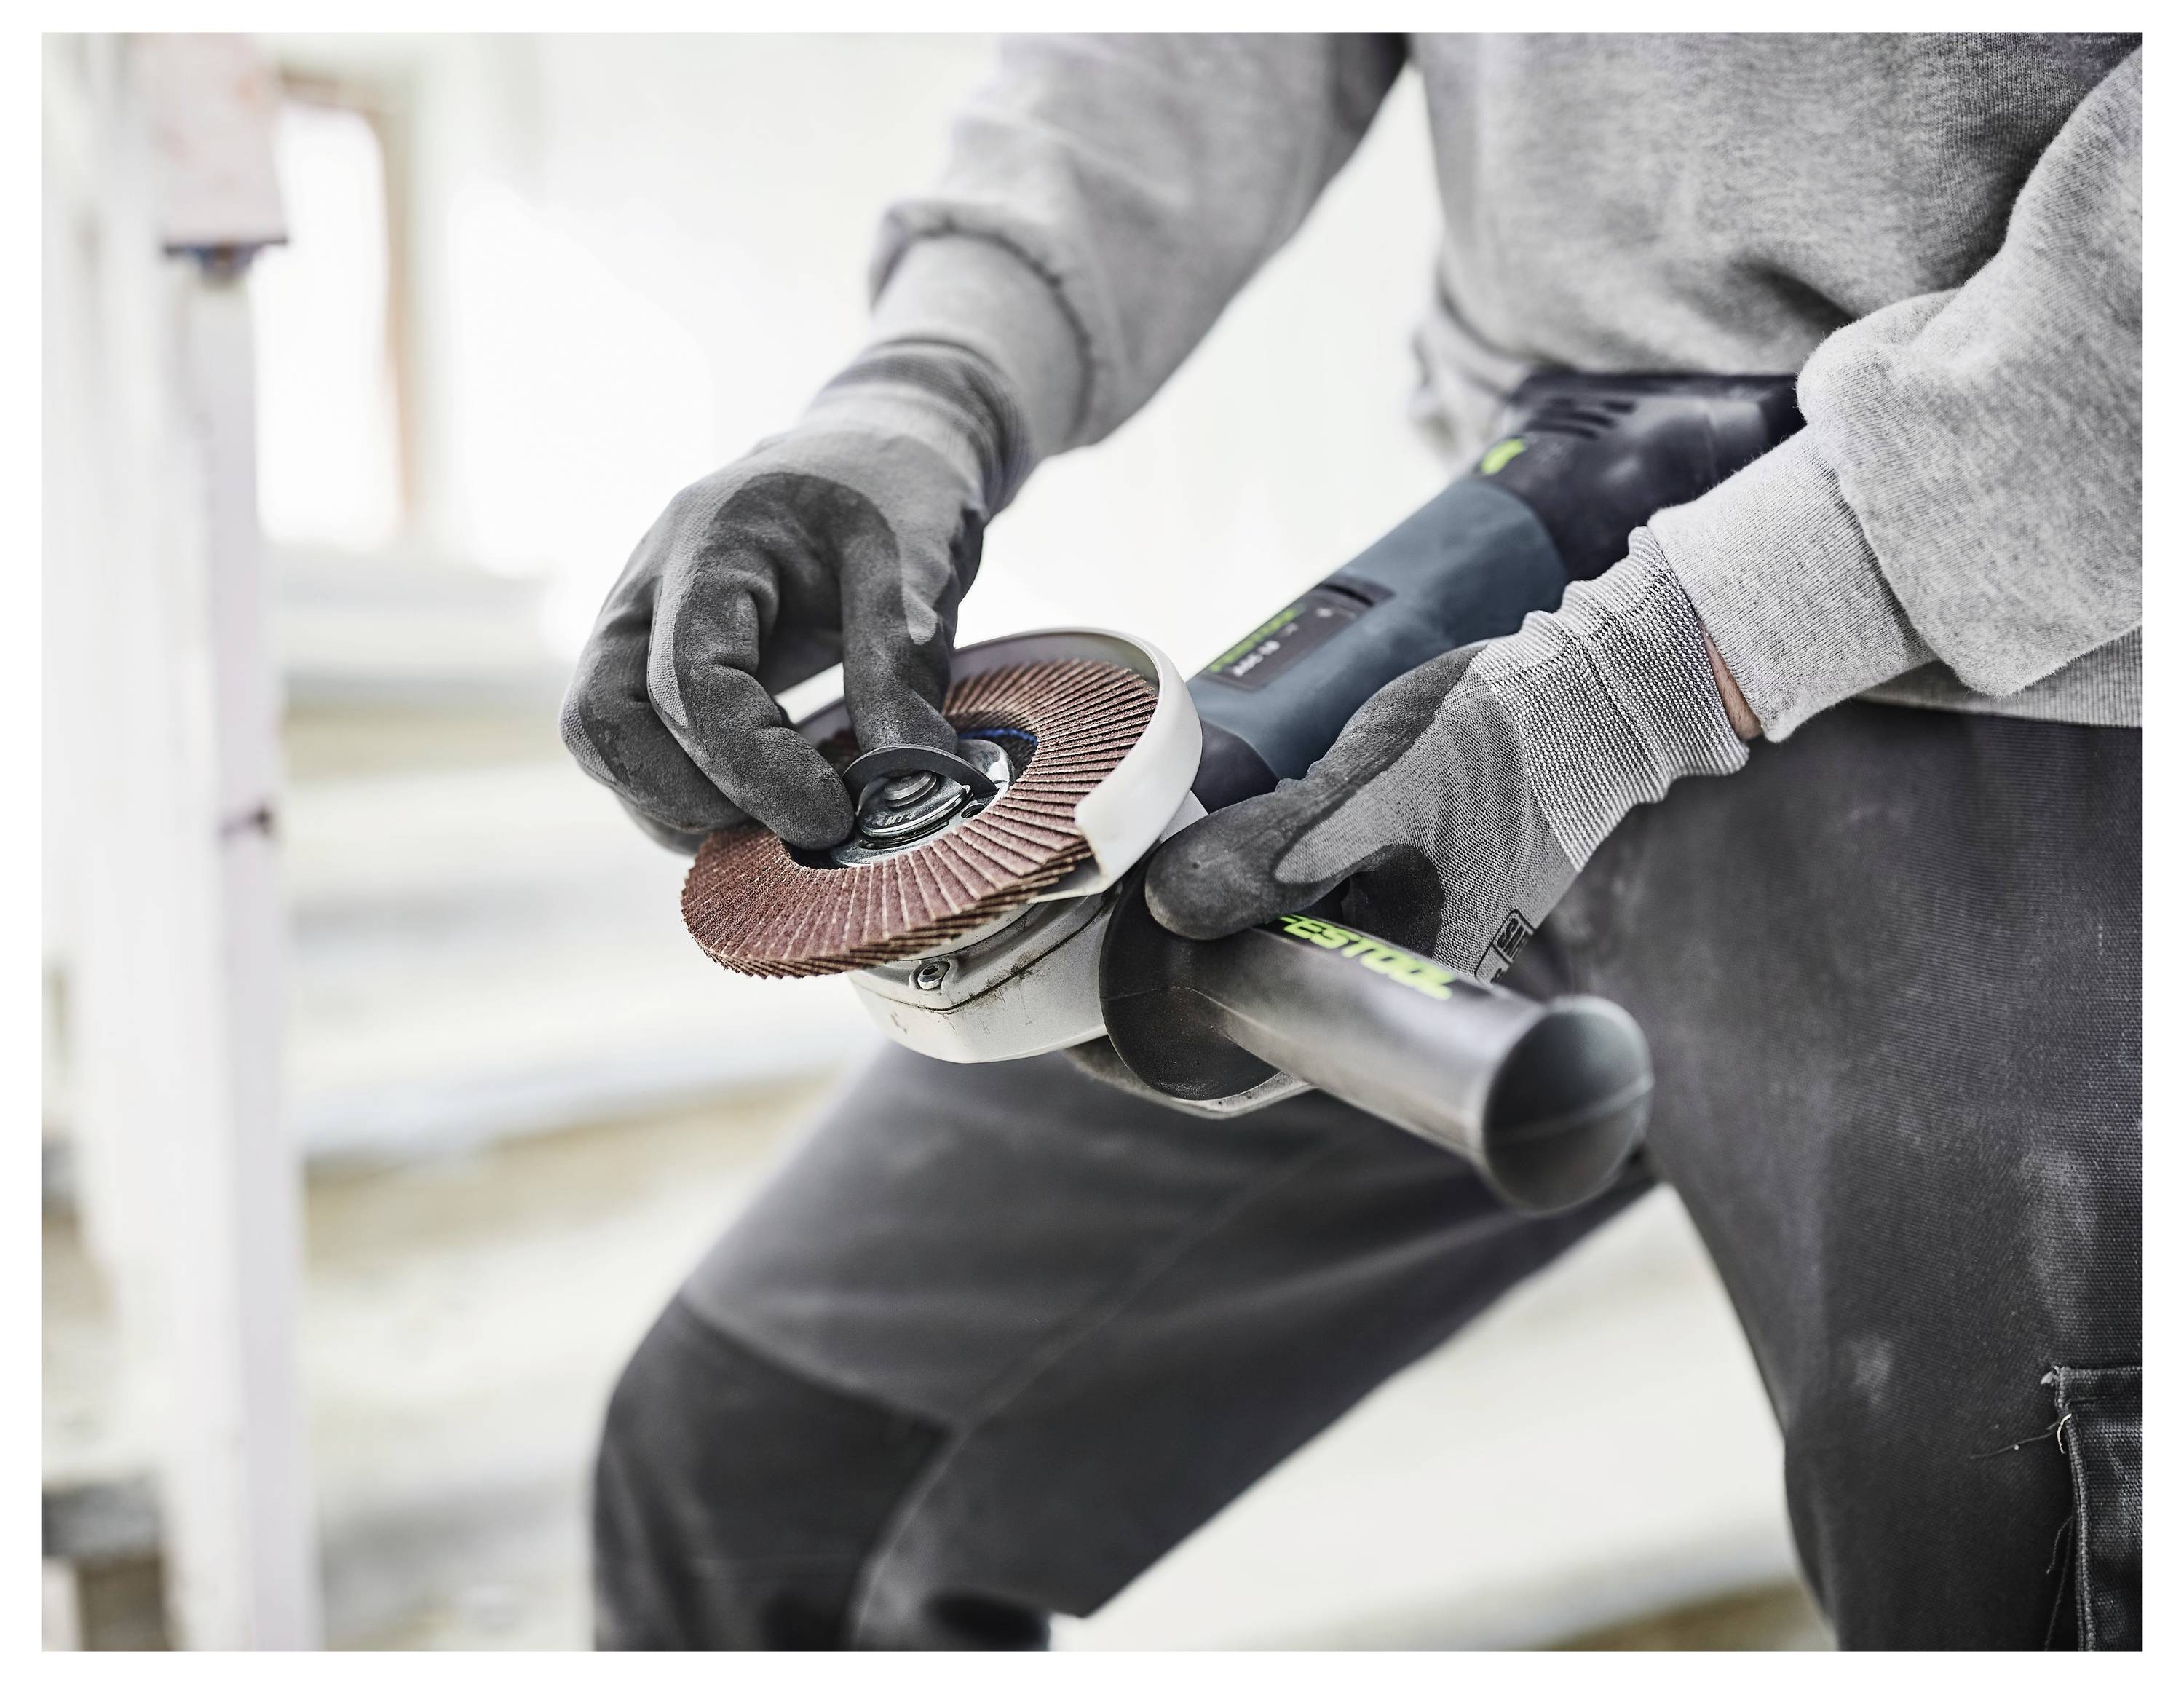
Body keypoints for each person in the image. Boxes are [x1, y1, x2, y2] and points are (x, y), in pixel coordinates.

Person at [561, 34, 2141, 1651]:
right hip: (1516, 568)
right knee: (754, 1473)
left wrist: (1648, 676)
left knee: (2028, 1595)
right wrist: (925, 380)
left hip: (2052, 691)